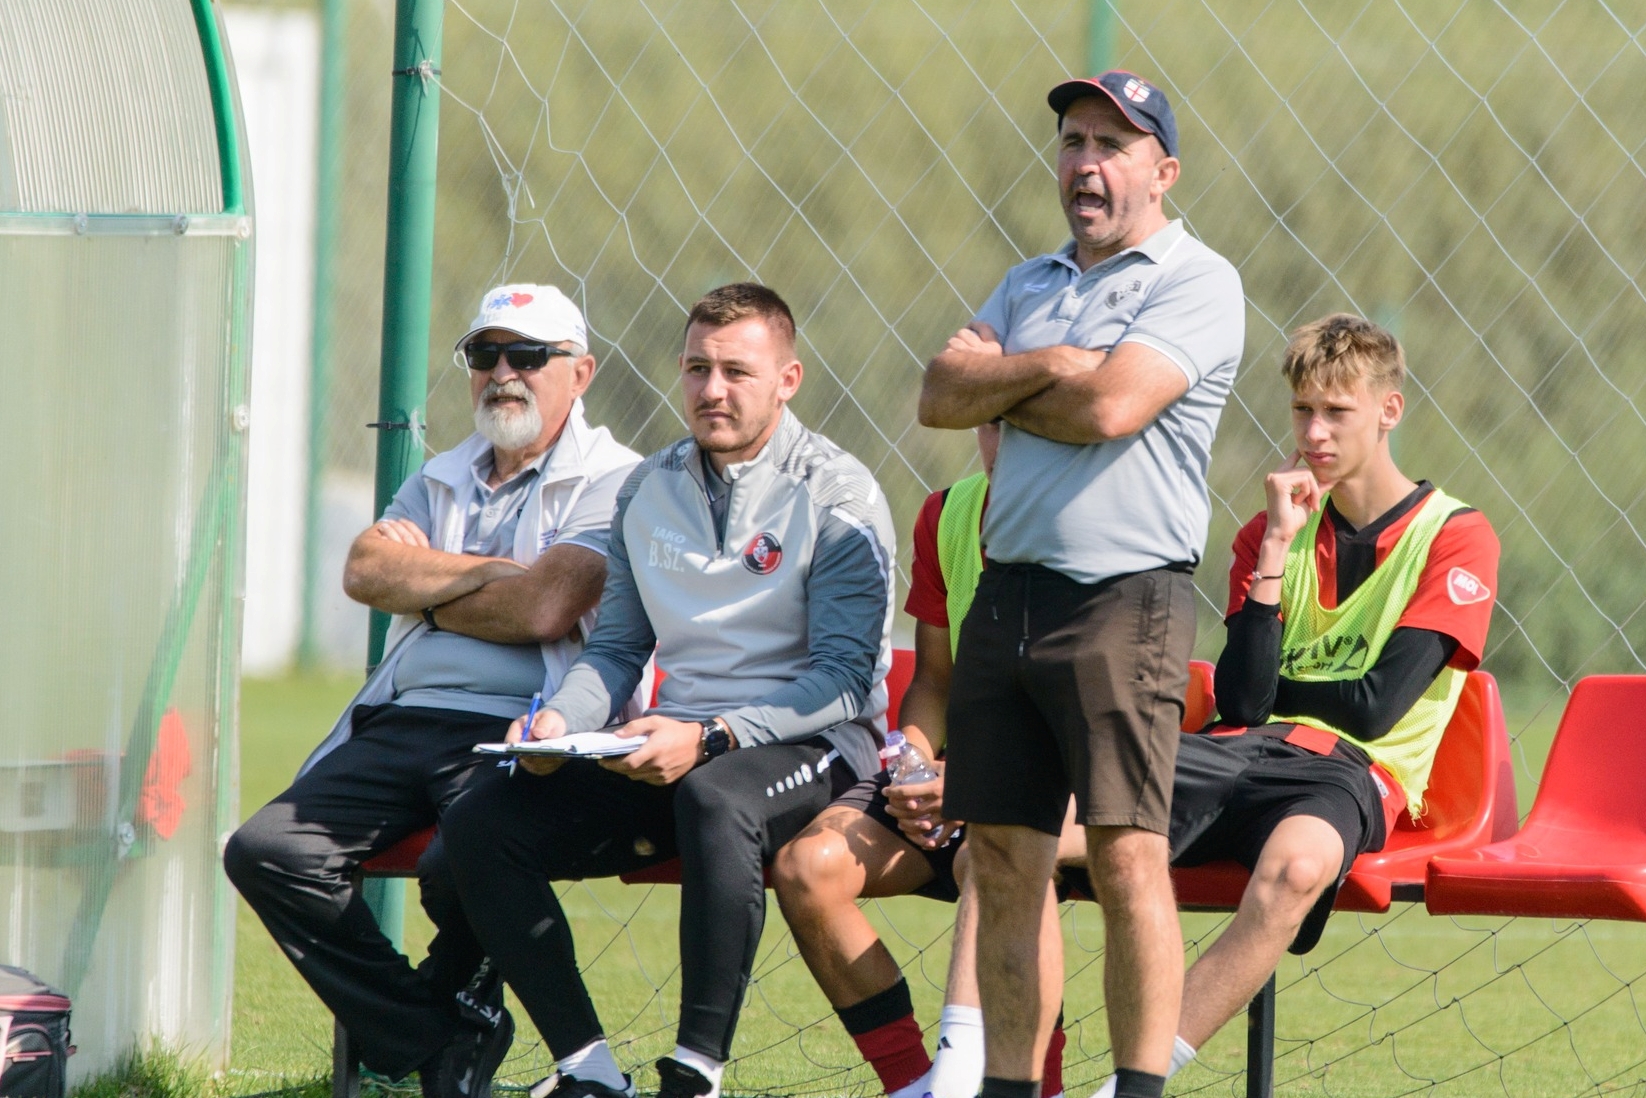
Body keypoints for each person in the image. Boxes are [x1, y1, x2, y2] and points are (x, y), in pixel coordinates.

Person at [437, 283, 898, 1098]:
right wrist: (558, 721)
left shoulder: (839, 494)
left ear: (787, 380)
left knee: (718, 799)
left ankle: (696, 1072)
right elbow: (616, 648)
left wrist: (714, 733)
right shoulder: (647, 489)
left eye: (736, 371)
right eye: (696, 368)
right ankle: (587, 1069)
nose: (711, 390)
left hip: (811, 746)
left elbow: (844, 679)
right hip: (670, 744)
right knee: (482, 819)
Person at [224, 285, 644, 1098]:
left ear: (581, 372)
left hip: (520, 726)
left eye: (527, 355)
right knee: (267, 852)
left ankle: (447, 1028)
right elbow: (363, 571)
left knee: (464, 859)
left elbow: (548, 607)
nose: (501, 374)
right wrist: (493, 576)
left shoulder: (616, 480)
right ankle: (439, 1030)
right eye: (483, 355)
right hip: (403, 718)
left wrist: (428, 585)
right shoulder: (441, 475)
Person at [918, 70, 1245, 1098]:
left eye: (1111, 143)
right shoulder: (1028, 284)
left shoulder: (1194, 279)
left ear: (1162, 170)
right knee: (1004, 863)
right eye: (1071, 141)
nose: (1086, 164)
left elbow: (1112, 410)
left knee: (1123, 858)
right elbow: (936, 393)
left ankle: (1137, 1090)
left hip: (1122, 601)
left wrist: (1016, 378)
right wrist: (1061, 357)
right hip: (1006, 598)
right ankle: (1011, 1088)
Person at [771, 421, 1071, 1098]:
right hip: (958, 772)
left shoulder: (1093, 524)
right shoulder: (946, 512)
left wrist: (970, 783)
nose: (1007, 443)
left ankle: (1032, 1085)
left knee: (992, 863)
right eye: (995, 426)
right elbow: (935, 679)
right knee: (806, 868)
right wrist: (912, 761)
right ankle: (914, 1086)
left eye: (1030, 427)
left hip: (1056, 780)